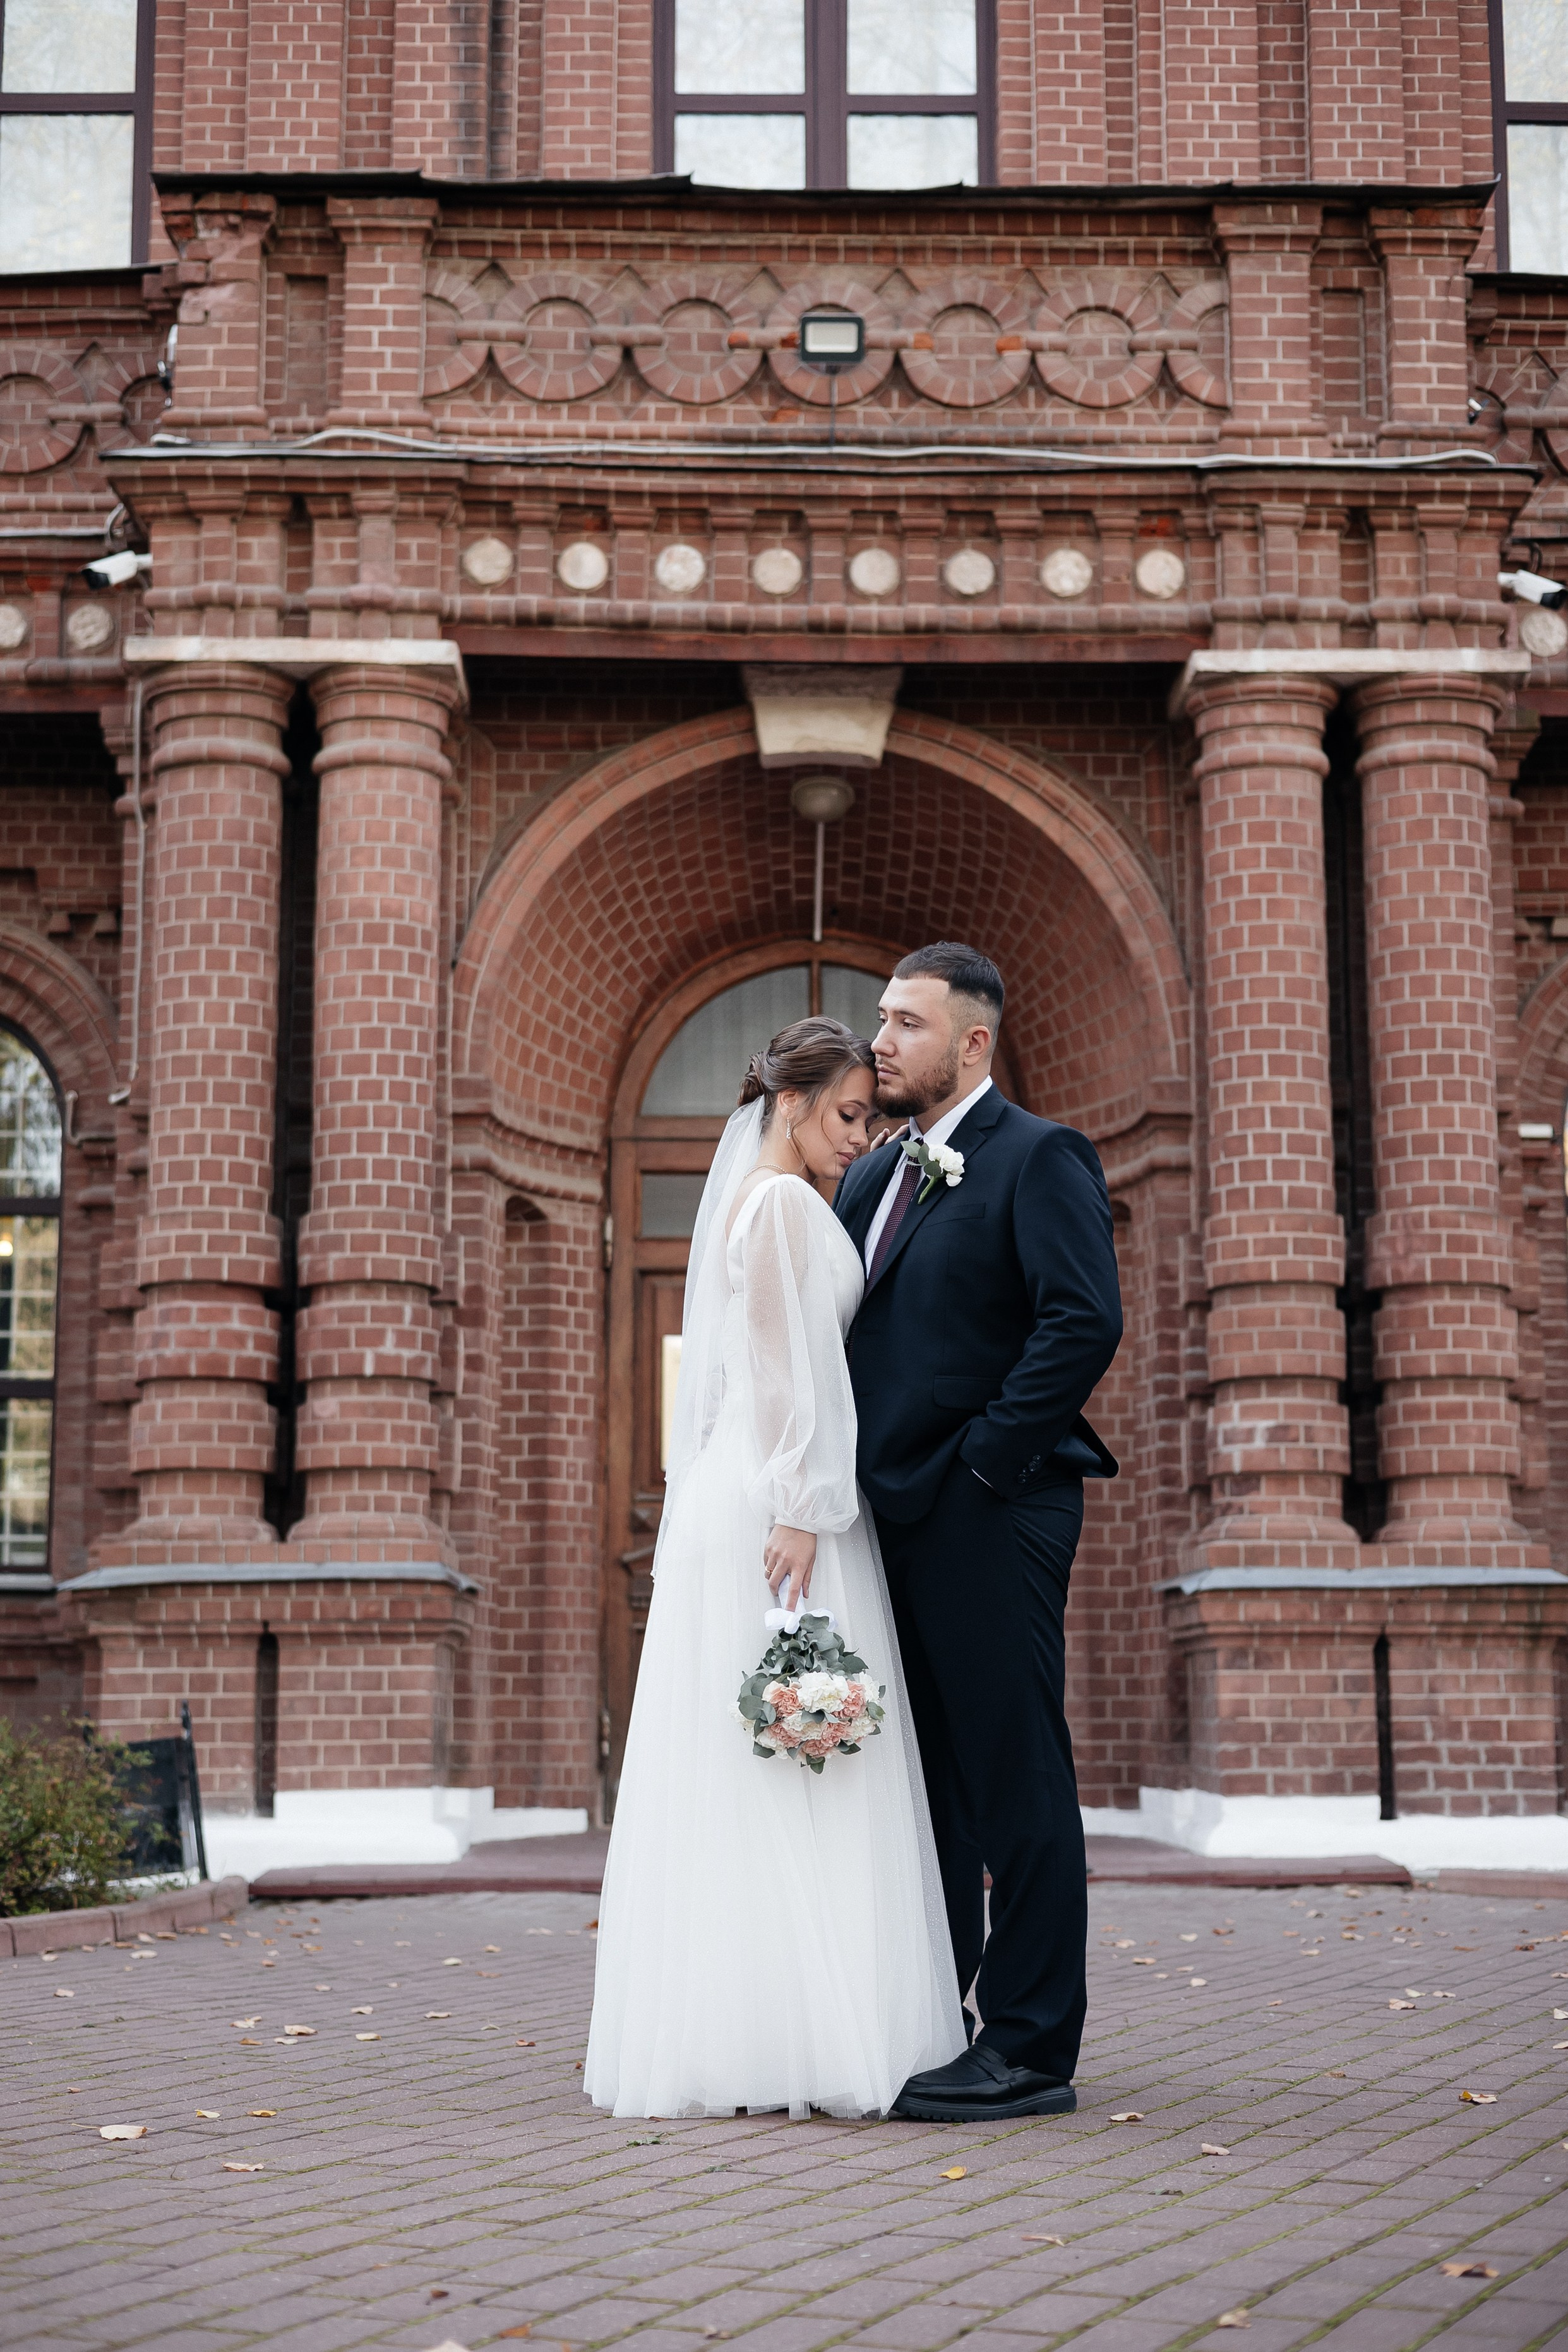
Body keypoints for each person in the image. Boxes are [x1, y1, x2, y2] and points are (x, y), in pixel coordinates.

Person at [585, 1016, 966, 2121]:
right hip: (781, 1503)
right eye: (847, 1115)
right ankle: (805, 2033)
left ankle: (741, 2030)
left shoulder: (758, 1202)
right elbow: (779, 1369)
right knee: (799, 1760)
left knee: (760, 1765)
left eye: (869, 1115)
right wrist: (801, 1503)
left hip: (738, 1492)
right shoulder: (783, 1205)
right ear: (791, 1105)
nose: (862, 1135)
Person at [835, 943, 1123, 2121]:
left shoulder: (1038, 1155)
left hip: (993, 1504)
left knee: (1014, 1773)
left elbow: (1082, 1320)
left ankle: (1030, 2047)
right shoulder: (868, 1179)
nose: (881, 1041)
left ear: (972, 1043)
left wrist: (987, 1464)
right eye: (881, 1019)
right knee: (928, 1782)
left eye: (906, 1022)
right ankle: (931, 2016)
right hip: (890, 1512)